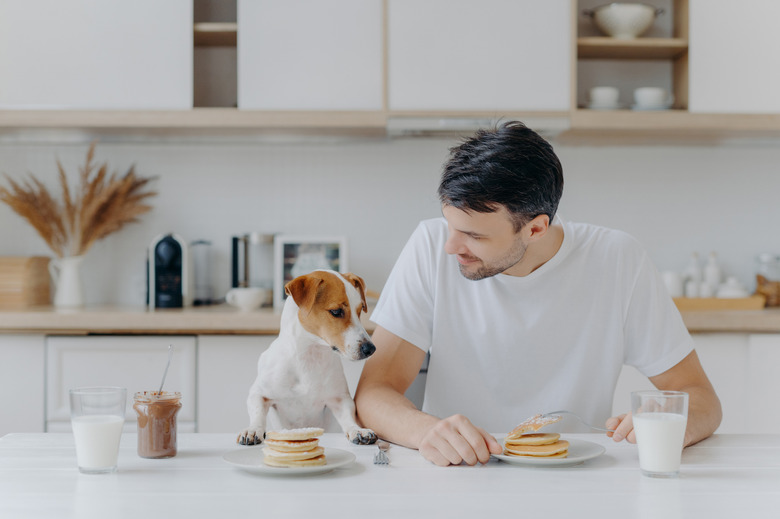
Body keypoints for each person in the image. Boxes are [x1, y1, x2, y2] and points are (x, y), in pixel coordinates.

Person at [354, 121, 722, 467]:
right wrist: (425, 432)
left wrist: (671, 422)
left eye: (475, 236)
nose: (451, 246)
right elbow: (374, 393)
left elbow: (700, 397)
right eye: (451, 225)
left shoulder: (618, 259)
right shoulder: (429, 246)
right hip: (460, 473)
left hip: (574, 475)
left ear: (535, 229)